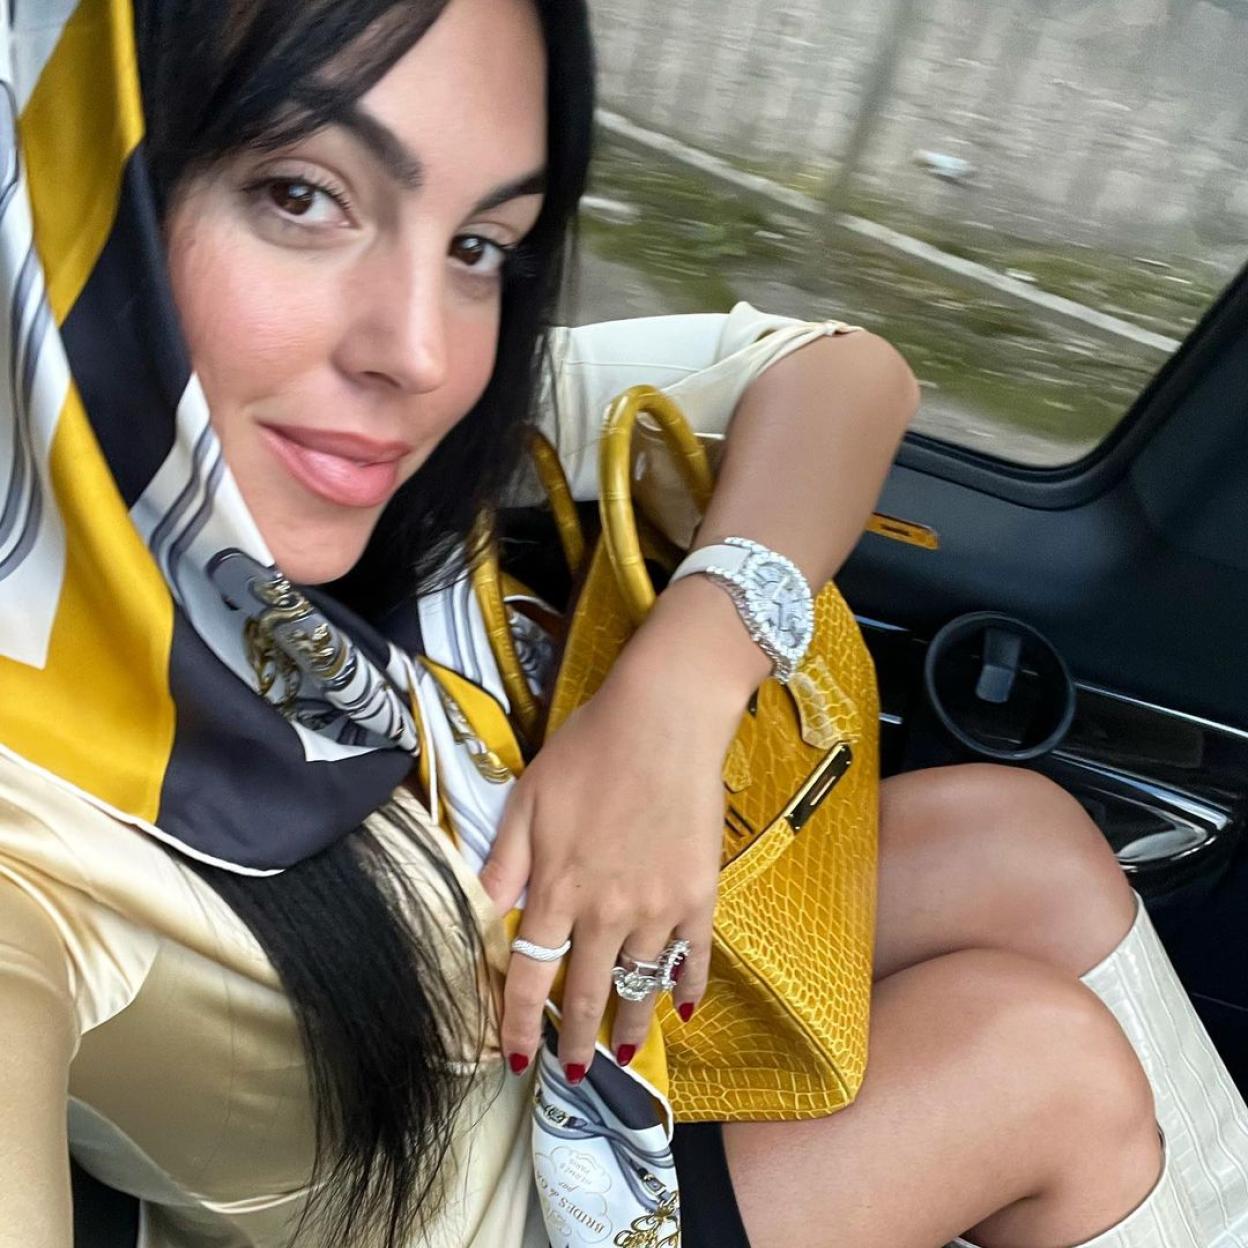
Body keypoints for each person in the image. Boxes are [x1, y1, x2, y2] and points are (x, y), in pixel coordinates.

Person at [0, 1, 1245, 1246]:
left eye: (480, 244)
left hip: (572, 1012)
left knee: (1021, 843)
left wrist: (674, 701)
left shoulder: (389, 446)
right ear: (69, 175)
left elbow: (837, 369)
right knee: (1038, 1070)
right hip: (475, 1201)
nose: (421, 354)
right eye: (301, 196)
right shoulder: (29, 813)